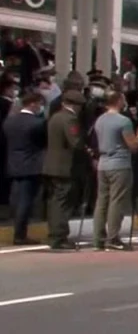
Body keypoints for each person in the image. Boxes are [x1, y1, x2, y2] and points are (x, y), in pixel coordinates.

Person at [92, 90, 138, 251]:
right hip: (119, 164)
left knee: (102, 201)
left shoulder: (100, 120)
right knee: (117, 201)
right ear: (118, 101)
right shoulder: (123, 121)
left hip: (103, 163)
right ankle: (113, 238)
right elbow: (133, 145)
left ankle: (98, 238)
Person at [43, 89, 87, 250]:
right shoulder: (70, 119)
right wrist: (86, 147)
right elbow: (75, 142)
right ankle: (59, 236)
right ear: (75, 106)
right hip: (64, 166)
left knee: (55, 201)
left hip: (52, 165)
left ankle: (55, 234)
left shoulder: (55, 117)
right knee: (62, 202)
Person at [4, 91, 46, 245]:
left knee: (16, 198)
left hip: (14, 163)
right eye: (40, 104)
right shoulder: (37, 123)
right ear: (33, 103)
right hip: (31, 164)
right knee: (26, 201)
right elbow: (42, 142)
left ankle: (17, 229)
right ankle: (20, 235)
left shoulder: (10, 122)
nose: (40, 107)